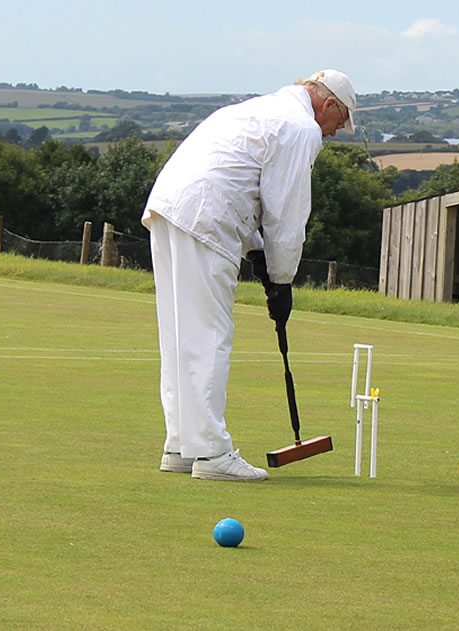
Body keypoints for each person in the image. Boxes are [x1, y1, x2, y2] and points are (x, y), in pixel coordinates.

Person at [141, 69, 356, 481]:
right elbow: (287, 213)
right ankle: (212, 454)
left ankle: (182, 446)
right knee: (208, 336)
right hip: (206, 217)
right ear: (328, 104)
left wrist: (257, 252)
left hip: (170, 209)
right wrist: (281, 279)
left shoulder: (259, 110)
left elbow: (242, 178)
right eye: (339, 123)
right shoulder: (301, 129)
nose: (333, 134)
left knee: (180, 335)